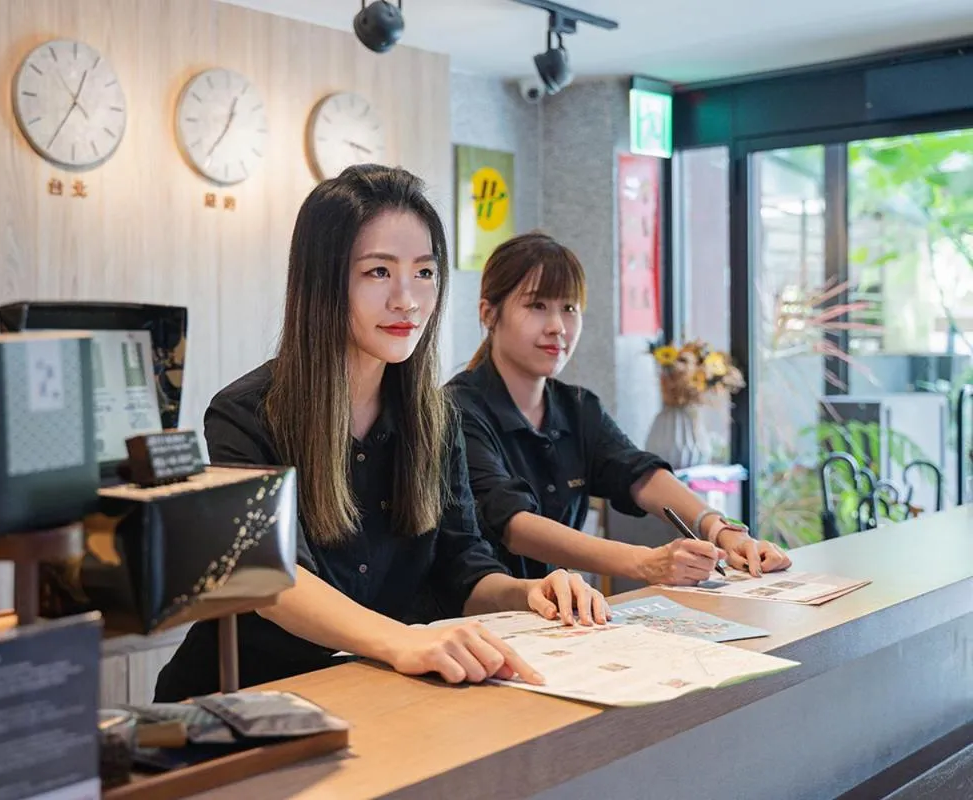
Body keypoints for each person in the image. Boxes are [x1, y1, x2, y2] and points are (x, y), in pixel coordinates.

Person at [153, 167, 609, 702]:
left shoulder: (437, 418)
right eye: (377, 273)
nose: (407, 300)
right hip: (256, 701)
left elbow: (464, 566)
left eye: (424, 273)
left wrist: (529, 593)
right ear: (323, 280)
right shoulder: (246, 413)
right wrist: (401, 641)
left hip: (380, 693)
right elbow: (273, 581)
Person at [446, 232, 792, 586]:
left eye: (569, 308)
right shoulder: (456, 409)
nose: (557, 327)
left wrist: (721, 529)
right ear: (489, 313)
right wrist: (645, 562)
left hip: (553, 616)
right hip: (472, 622)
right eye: (537, 306)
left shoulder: (577, 407)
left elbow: (637, 472)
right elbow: (514, 525)